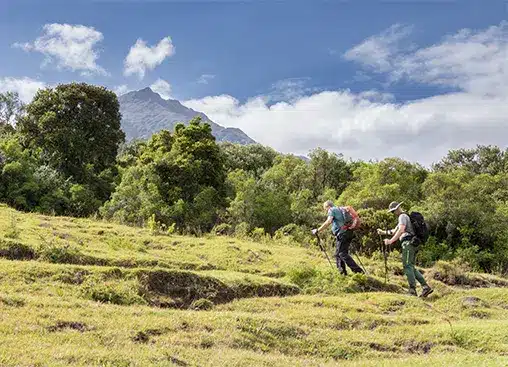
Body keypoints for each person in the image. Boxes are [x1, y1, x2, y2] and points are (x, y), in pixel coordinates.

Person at [377, 201, 433, 297]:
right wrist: (383, 232)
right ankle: (425, 287)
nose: (393, 213)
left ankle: (412, 290)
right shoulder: (405, 216)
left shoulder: (402, 217)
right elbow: (395, 230)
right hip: (413, 243)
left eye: (393, 211)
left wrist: (390, 241)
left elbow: (401, 230)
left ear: (398, 208)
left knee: (407, 266)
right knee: (411, 266)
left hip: (408, 244)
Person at [312, 201, 364, 275]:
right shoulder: (340, 209)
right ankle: (342, 273)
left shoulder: (332, 210)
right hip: (348, 232)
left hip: (342, 234)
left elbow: (328, 221)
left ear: (328, 206)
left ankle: (359, 272)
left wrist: (318, 230)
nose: (325, 211)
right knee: (338, 253)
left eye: (325, 209)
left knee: (342, 253)